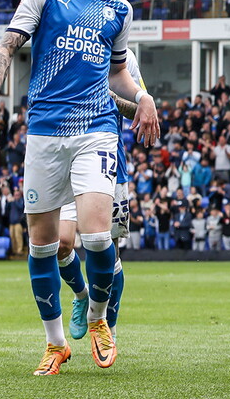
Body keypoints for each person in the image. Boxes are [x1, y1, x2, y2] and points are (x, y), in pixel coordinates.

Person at [0, 0, 159, 375]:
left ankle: (97, 318)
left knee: (95, 235)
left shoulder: (119, 9)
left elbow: (118, 74)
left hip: (96, 131)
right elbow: (7, 46)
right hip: (45, 134)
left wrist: (145, 96)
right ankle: (55, 344)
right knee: (44, 246)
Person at [56, 47, 144, 347]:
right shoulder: (64, 44)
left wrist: (108, 95)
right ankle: (82, 297)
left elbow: (139, 110)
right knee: (61, 243)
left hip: (106, 159)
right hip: (62, 154)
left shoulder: (125, 58)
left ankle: (107, 326)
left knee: (108, 250)